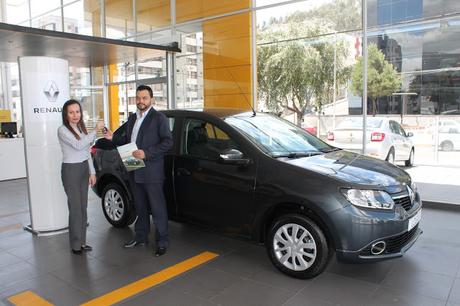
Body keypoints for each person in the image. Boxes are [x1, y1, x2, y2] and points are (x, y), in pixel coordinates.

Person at [105, 85, 173, 257]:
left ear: (151, 99)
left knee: (157, 208)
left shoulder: (159, 118)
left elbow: (168, 142)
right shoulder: (132, 118)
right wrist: (113, 138)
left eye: (144, 98)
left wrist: (146, 153)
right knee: (140, 206)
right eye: (138, 98)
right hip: (133, 165)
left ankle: (162, 241)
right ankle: (141, 238)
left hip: (151, 169)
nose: (141, 101)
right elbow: (127, 140)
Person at [58, 99, 105, 254]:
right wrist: (95, 131)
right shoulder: (62, 130)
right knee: (75, 208)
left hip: (84, 168)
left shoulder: (81, 128)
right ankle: (75, 245)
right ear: (66, 114)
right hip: (71, 170)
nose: (75, 115)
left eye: (77, 111)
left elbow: (86, 153)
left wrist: (92, 172)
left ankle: (82, 242)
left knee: (83, 207)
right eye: (71, 112)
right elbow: (79, 145)